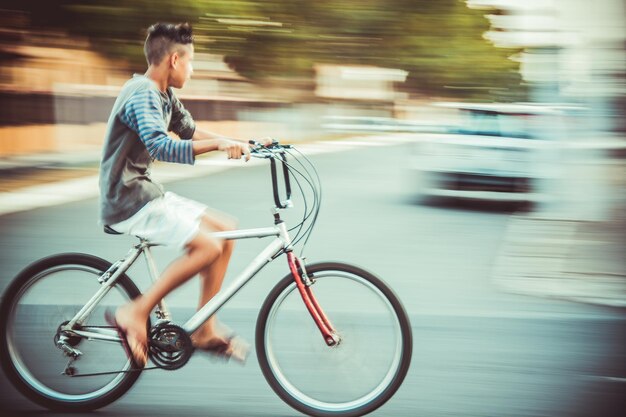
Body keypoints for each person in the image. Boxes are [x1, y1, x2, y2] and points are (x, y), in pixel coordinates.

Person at [99, 22, 263, 366]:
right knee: (207, 246)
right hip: (127, 199)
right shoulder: (142, 92)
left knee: (224, 230)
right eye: (190, 62)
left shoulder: (163, 94)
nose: (192, 69)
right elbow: (161, 146)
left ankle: (205, 329)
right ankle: (135, 311)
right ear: (174, 59)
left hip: (144, 192)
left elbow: (187, 130)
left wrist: (237, 142)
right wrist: (219, 144)